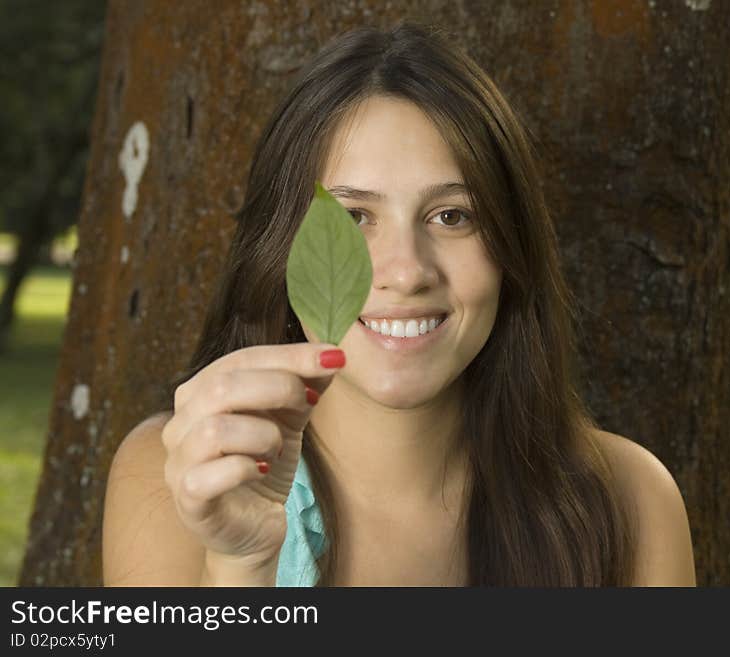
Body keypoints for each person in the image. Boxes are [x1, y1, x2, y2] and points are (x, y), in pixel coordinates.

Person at [102, 20, 696, 587]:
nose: (407, 271)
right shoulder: (173, 475)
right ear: (279, 248)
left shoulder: (632, 499)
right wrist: (240, 566)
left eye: (451, 216)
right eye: (354, 217)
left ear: (511, 252)